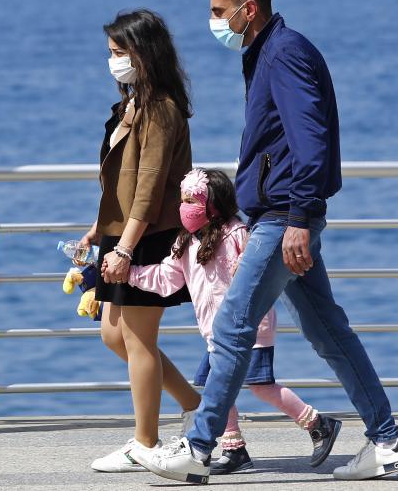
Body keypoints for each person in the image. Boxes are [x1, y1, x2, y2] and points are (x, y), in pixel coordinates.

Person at [132, 0, 398, 483]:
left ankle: (197, 449)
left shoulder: (283, 54)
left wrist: (300, 219)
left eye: (219, 12)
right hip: (283, 214)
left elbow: (311, 140)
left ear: (249, 9)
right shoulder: (266, 53)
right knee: (329, 330)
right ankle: (387, 440)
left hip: (284, 217)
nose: (214, 21)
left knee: (233, 325)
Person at [128, 168, 343, 474]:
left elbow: (257, 277)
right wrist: (129, 275)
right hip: (215, 332)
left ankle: (317, 423)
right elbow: (165, 279)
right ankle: (234, 447)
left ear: (213, 204)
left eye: (193, 199)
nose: (185, 206)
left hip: (251, 328)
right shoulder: (186, 243)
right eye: (183, 199)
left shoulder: (238, 234)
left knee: (260, 386)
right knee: (216, 386)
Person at [77, 9, 203, 473]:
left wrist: (125, 248)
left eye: (118, 53)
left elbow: (149, 187)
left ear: (143, 53)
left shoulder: (163, 109)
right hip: (120, 231)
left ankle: (145, 443)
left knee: (137, 338)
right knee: (115, 336)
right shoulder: (132, 104)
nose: (112, 62)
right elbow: (120, 179)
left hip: (146, 235)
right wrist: (99, 227)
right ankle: (197, 406)